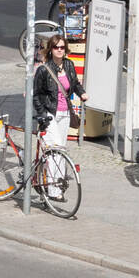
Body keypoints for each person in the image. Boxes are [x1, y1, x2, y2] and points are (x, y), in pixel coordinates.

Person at [32, 34, 85, 197]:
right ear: (51, 50)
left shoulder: (68, 65)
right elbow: (36, 95)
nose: (60, 50)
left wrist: (82, 93)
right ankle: (53, 191)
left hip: (65, 114)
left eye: (62, 47)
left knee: (61, 151)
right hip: (50, 114)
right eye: (56, 47)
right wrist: (42, 114)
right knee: (54, 151)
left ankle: (57, 186)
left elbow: (74, 83)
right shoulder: (43, 69)